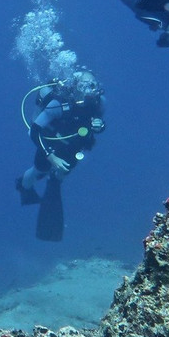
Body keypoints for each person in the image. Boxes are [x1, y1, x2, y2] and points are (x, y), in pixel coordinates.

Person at [15, 72, 105, 241]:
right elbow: (34, 131)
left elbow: (99, 122)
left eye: (92, 85)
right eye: (85, 85)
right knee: (38, 171)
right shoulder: (58, 104)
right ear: (76, 86)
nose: (89, 89)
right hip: (51, 144)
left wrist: (100, 125)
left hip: (74, 145)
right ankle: (23, 186)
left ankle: (54, 180)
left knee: (63, 173)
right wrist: (51, 157)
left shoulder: (98, 102)